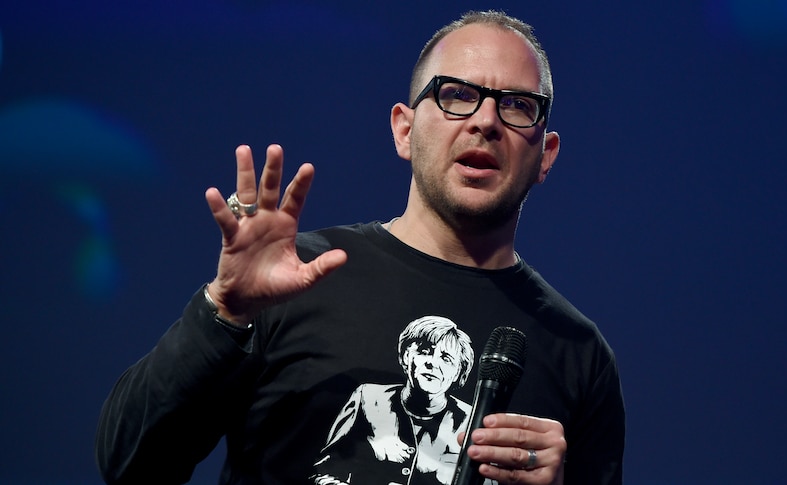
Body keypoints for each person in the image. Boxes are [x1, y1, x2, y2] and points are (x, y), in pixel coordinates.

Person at [96, 9, 625, 485]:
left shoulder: (577, 353)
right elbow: (129, 464)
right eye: (457, 94)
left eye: (516, 105)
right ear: (404, 129)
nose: (485, 121)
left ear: (546, 155)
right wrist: (223, 312)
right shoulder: (293, 280)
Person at [312, 316, 475, 484]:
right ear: (406, 356)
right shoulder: (368, 397)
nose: (432, 362)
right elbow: (324, 472)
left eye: (446, 358)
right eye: (424, 351)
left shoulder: (471, 421)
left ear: (458, 373)